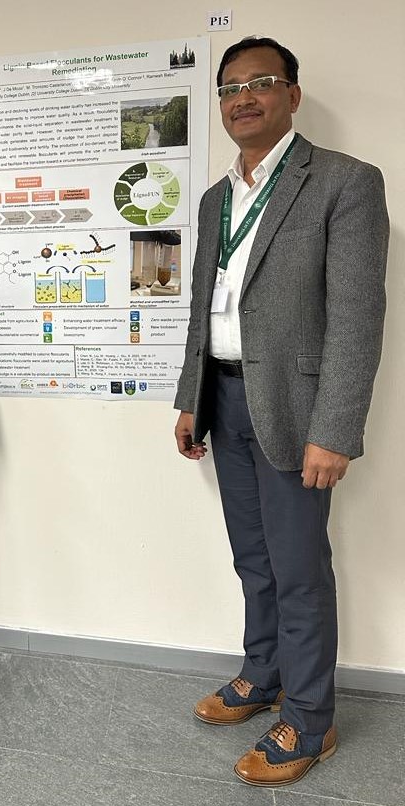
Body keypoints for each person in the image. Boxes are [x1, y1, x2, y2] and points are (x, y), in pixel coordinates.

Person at [174, 37, 388, 786]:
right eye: (231, 87)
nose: (244, 97)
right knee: (252, 558)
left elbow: (359, 318)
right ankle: (262, 675)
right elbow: (204, 306)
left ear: (292, 95)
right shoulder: (215, 197)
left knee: (298, 569)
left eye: (262, 83)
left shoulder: (344, 182)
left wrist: (335, 429)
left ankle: (309, 720)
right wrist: (188, 399)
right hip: (224, 397)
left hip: (297, 409)